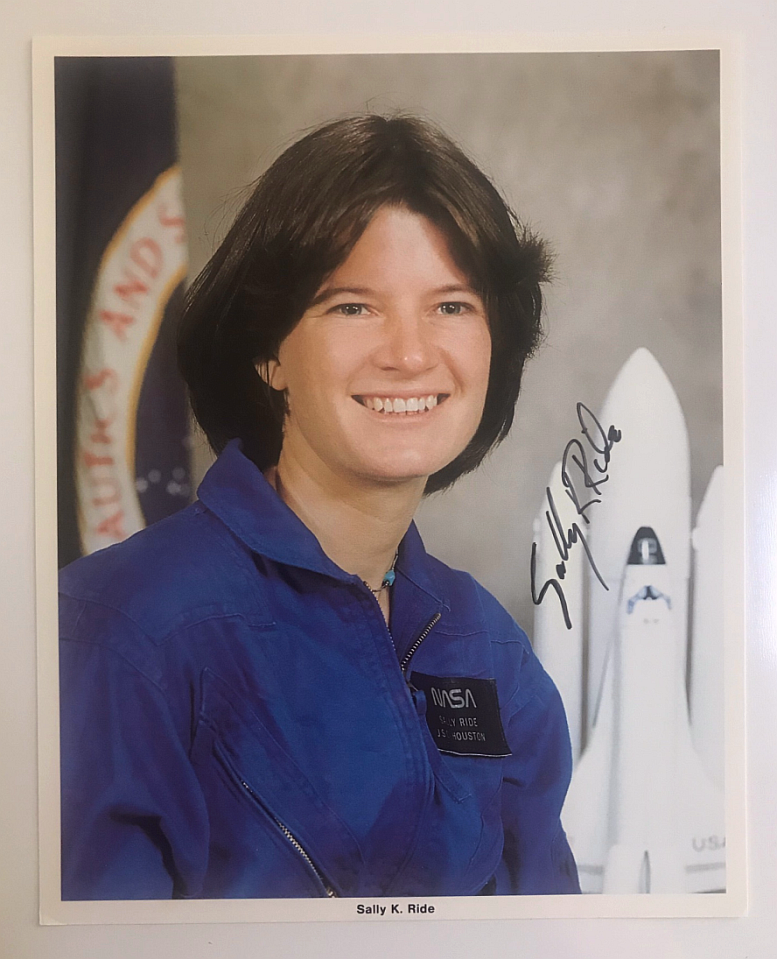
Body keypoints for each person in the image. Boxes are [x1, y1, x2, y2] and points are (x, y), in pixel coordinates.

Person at [59, 114, 580, 900]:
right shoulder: (122, 629)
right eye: (352, 306)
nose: (408, 354)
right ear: (268, 352)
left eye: (451, 305)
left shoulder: (488, 652)